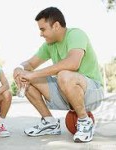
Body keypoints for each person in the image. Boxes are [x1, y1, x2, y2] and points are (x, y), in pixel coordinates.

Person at [13, 7, 104, 142]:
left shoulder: (76, 34)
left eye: (43, 29)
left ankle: (85, 122)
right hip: (65, 91)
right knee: (26, 76)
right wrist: (19, 69)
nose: (40, 34)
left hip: (92, 92)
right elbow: (30, 64)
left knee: (64, 75)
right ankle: (49, 122)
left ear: (56, 25)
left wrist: (33, 74)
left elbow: (73, 63)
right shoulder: (49, 45)